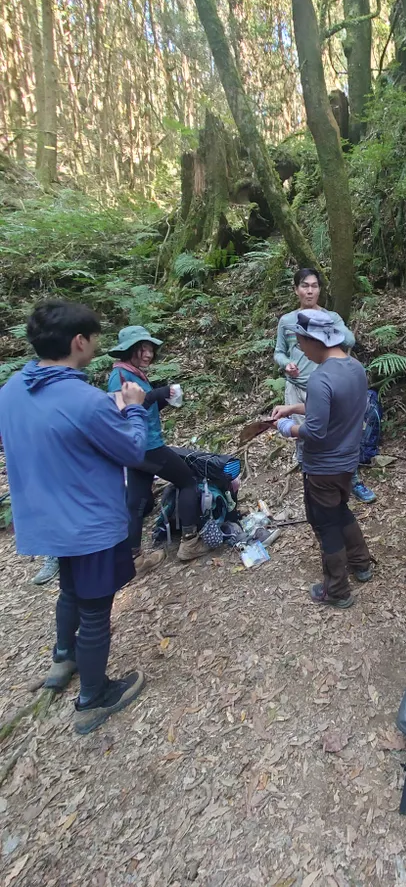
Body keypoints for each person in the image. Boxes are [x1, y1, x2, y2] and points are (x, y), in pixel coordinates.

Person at [0, 300, 148, 734]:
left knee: (69, 589)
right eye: (95, 338)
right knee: (96, 606)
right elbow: (133, 451)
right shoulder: (84, 401)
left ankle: (63, 659)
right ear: (79, 341)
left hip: (43, 517)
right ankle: (93, 697)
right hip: (89, 522)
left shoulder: (11, 390)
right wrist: (134, 407)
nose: (96, 345)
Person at [271, 310, 373, 608]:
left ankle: (337, 589)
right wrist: (292, 409)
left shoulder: (320, 378)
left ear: (313, 340)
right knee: (340, 510)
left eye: (301, 343)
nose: (301, 350)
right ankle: (361, 562)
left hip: (322, 468)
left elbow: (315, 432)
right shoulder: (355, 368)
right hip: (347, 462)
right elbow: (336, 408)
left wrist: (286, 428)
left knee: (325, 523)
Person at [108, 326, 207, 570]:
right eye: (142, 349)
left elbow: (144, 410)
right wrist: (154, 395)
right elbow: (121, 412)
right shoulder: (120, 376)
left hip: (136, 448)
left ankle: (135, 558)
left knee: (137, 500)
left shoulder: (133, 373)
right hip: (146, 446)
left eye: (150, 349)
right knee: (187, 482)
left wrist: (162, 399)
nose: (148, 354)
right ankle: (189, 542)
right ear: (129, 350)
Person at [274, 267, 376, 504]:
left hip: (329, 385)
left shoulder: (330, 318)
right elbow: (279, 352)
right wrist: (286, 363)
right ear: (296, 289)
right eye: (304, 286)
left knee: (339, 432)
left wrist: (326, 325)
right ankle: (311, 478)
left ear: (320, 290)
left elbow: (349, 340)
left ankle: (352, 480)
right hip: (298, 387)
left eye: (314, 286)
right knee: (306, 438)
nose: (310, 291)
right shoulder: (287, 321)